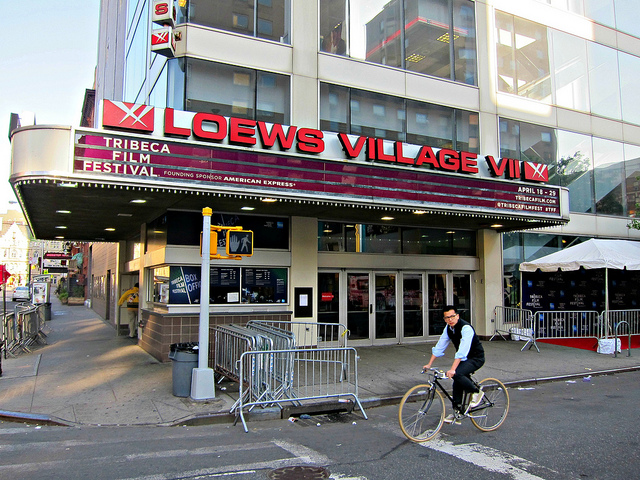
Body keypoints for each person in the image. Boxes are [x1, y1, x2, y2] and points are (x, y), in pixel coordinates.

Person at [423, 304, 485, 423]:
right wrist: (429, 364)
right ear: (444, 319)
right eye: (447, 318)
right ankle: (457, 414)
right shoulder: (448, 329)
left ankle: (477, 391)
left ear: (458, 316)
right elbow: (440, 346)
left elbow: (462, 350)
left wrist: (452, 369)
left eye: (452, 316)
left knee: (457, 374)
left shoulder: (466, 328)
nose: (450, 320)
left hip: (476, 358)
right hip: (465, 359)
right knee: (457, 380)